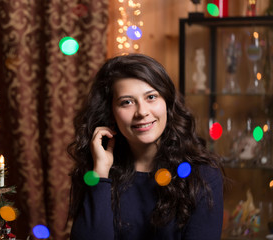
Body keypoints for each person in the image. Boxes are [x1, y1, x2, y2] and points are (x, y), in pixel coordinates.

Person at [67, 54, 224, 240]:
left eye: (151, 97)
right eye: (127, 102)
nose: (142, 112)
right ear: (110, 112)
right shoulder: (96, 171)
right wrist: (101, 174)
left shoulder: (203, 175)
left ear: (167, 103)